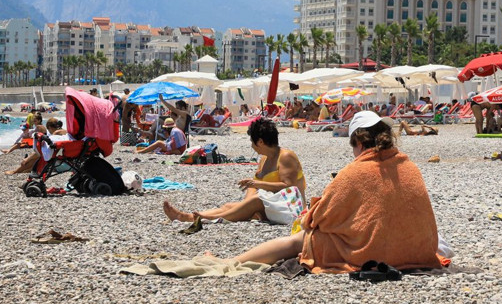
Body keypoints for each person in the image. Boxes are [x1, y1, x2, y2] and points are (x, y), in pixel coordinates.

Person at [216, 111, 444, 273]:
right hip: (419, 249)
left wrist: (312, 218)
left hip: (380, 253)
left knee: (301, 240)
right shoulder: (410, 167)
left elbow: (318, 219)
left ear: (360, 144)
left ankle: (231, 262)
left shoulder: (355, 171)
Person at [163, 117, 305, 225]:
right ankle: (187, 216)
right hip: (271, 203)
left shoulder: (286, 157)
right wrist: (246, 203)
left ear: (260, 142)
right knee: (230, 206)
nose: (252, 146)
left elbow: (290, 187)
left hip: (291, 207)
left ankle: (210, 218)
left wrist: (256, 186)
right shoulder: (264, 160)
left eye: (252, 141)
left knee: (256, 200)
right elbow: (253, 186)